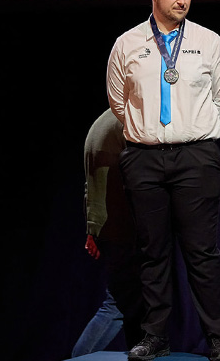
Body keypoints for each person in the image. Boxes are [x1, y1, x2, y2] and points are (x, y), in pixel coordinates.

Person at [107, 0, 220, 361]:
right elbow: (118, 102)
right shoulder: (127, 43)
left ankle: (217, 338)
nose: (182, 1)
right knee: (153, 252)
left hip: (196, 158)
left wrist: (191, 131)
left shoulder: (209, 41)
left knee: (202, 252)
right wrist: (151, 134)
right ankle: (156, 336)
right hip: (144, 159)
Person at [72, 108, 143, 357]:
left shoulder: (101, 122)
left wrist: (93, 230)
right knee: (117, 305)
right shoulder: (129, 122)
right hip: (125, 228)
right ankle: (79, 358)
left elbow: (90, 183)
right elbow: (140, 180)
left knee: (134, 306)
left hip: (110, 228)